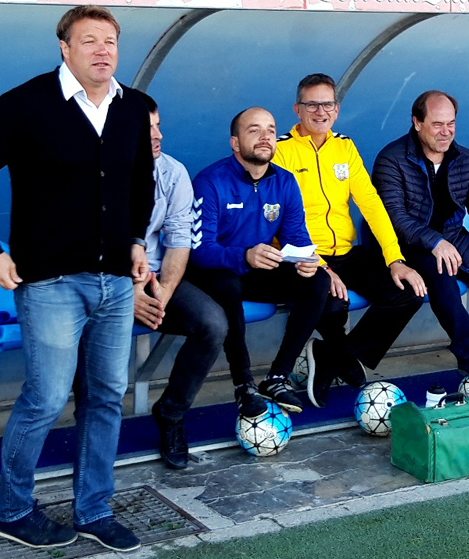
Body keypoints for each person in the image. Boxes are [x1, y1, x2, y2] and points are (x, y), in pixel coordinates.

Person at [0, 6, 154, 552]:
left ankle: (94, 509)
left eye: (110, 41)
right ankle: (10, 510)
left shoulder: (133, 107)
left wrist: (135, 241)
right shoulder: (25, 105)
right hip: (51, 283)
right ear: (65, 47)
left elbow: (140, 183)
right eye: (89, 41)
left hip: (115, 283)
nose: (102, 50)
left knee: (107, 395)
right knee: (45, 398)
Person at [272, 73, 425, 408]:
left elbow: (371, 204)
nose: (320, 111)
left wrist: (395, 259)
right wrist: (321, 266)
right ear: (298, 110)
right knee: (332, 303)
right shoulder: (281, 152)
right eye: (311, 104)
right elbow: (279, 220)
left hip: (347, 252)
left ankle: (331, 354)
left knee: (410, 291)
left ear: (337, 109)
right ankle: (340, 357)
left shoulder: (345, 147)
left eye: (327, 104)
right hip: (306, 257)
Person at [372, 90, 469, 381]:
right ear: (417, 122)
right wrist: (434, 242)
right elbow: (395, 218)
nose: (446, 132)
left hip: (454, 241)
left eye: (451, 124)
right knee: (442, 273)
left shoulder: (463, 158)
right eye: (437, 124)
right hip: (407, 248)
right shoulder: (391, 159)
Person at [188, 107, 331, 417]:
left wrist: (306, 260)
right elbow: (198, 250)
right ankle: (243, 385)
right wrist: (244, 254)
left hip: (256, 270)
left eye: (270, 129)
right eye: (254, 130)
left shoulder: (284, 181)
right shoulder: (210, 181)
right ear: (235, 143)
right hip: (217, 270)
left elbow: (297, 237)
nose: (265, 136)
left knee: (318, 280)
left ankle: (278, 376)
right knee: (227, 285)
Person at [132, 93, 228, 469]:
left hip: (159, 279)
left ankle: (170, 414)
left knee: (212, 322)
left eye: (158, 126)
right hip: (107, 284)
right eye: (146, 129)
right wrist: (130, 294)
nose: (157, 136)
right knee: (88, 329)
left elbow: (179, 240)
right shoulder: (100, 174)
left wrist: (163, 294)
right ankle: (91, 430)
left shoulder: (172, 172)